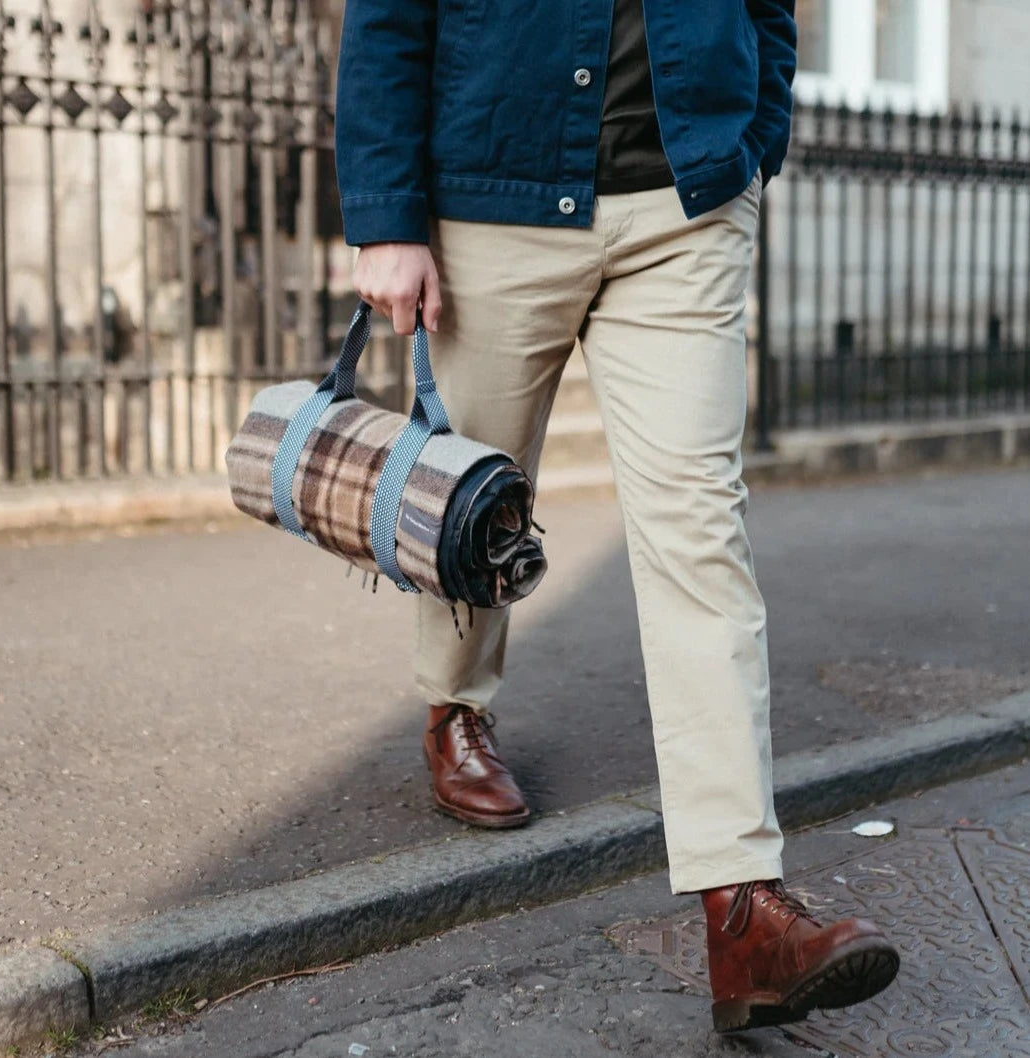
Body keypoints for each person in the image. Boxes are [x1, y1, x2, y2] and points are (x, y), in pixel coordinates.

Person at [334, 0, 899, 1033]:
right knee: (473, 502)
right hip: (493, 196)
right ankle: (452, 706)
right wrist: (384, 213)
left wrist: (750, 142)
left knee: (699, 533)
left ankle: (742, 907)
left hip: (683, 204)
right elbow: (386, 16)